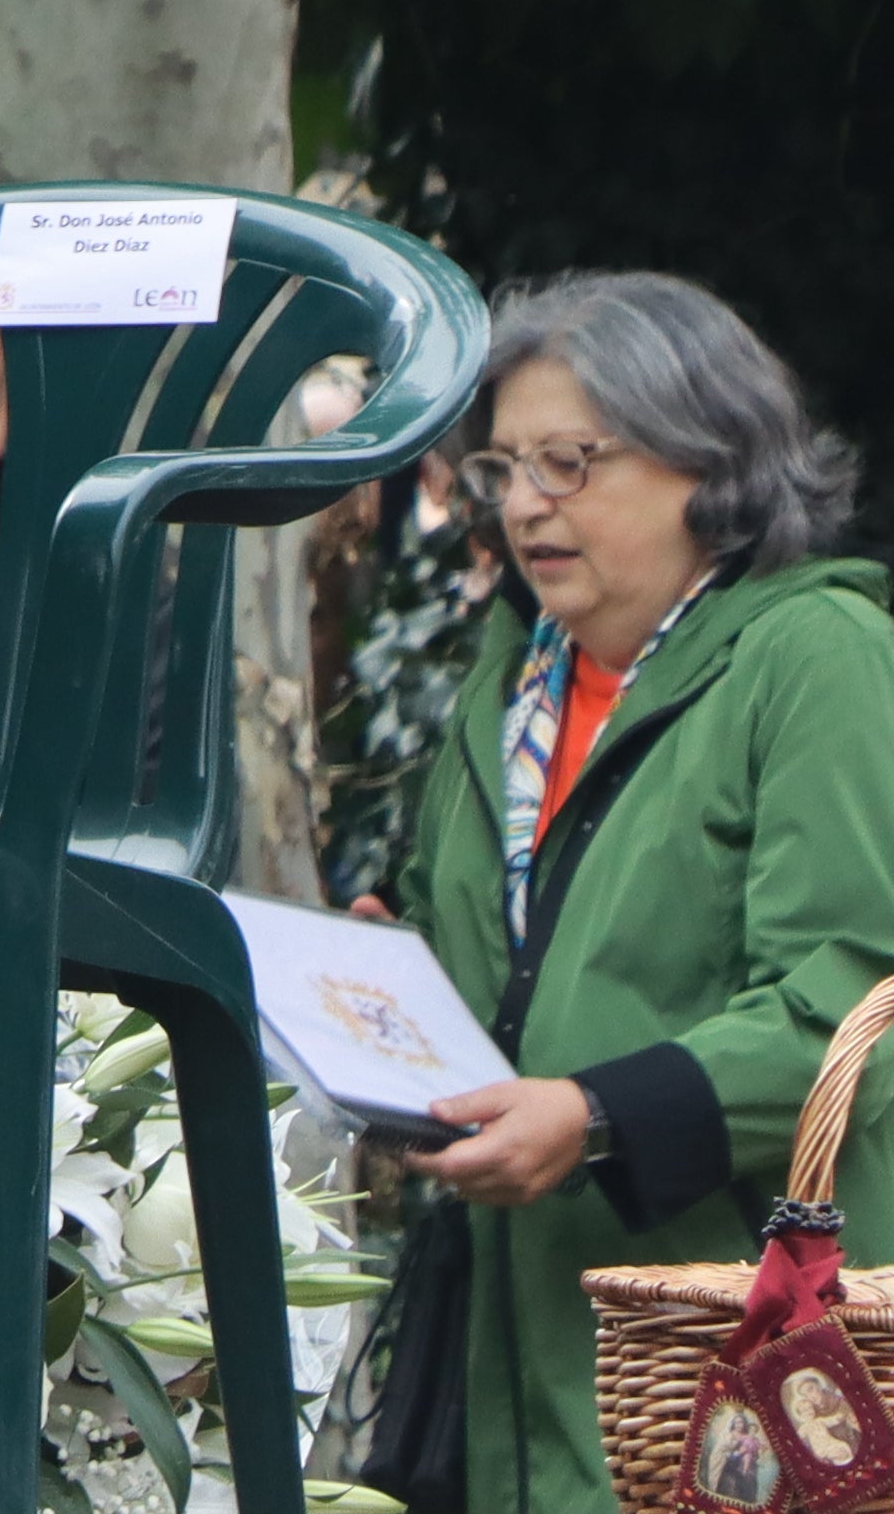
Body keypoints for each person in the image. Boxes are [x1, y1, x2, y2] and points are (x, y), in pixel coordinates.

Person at [374, 274, 894, 1514]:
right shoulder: (512, 683)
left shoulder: (815, 653)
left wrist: (595, 1113)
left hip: (732, 1378)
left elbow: (848, 1003)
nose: (524, 505)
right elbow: (496, 968)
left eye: (569, 461)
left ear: (708, 465)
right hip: (500, 1375)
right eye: (502, 468)